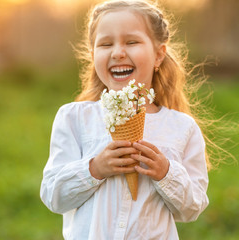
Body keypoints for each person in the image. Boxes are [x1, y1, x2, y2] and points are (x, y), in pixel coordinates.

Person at [40, 0, 213, 239]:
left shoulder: (182, 128)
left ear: (158, 55)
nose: (118, 52)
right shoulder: (74, 118)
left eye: (132, 42)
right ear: (93, 55)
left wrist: (166, 173)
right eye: (105, 44)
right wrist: (94, 169)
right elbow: (53, 195)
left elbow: (192, 208)